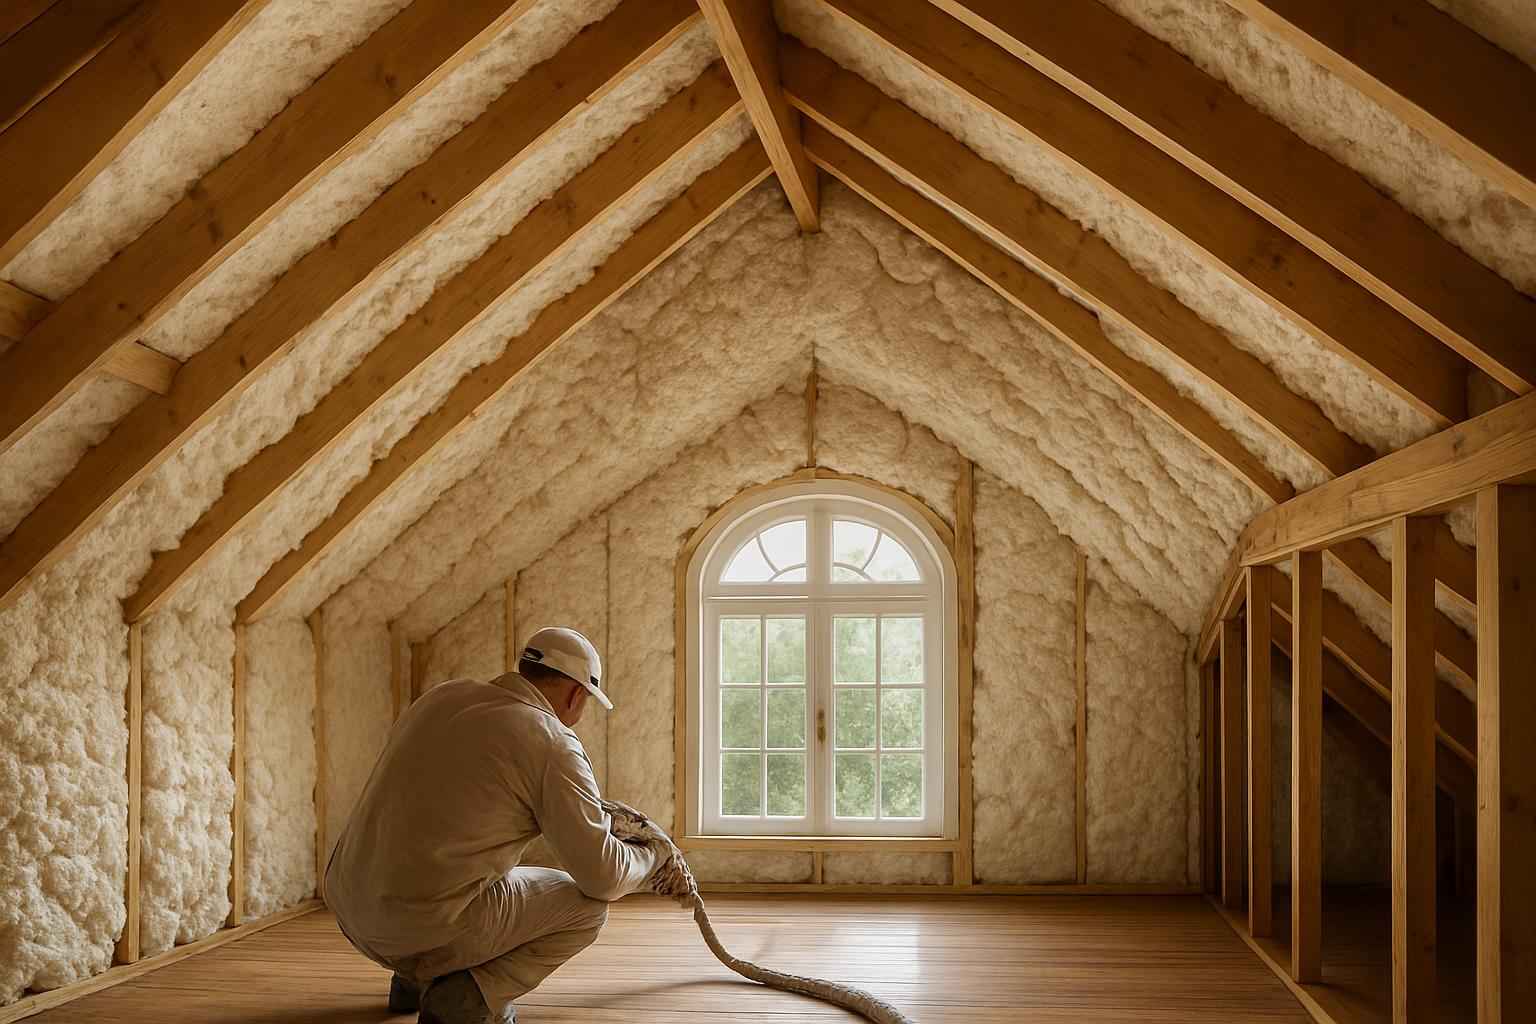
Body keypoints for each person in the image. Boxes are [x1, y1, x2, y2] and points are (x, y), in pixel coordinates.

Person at [324, 626, 664, 1024]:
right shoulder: (553, 742)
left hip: (350, 910)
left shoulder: (440, 697)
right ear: (576, 694)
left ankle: (411, 982)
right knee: (585, 908)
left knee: (457, 860)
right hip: (418, 930)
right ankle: (465, 999)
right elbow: (603, 876)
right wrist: (651, 855)